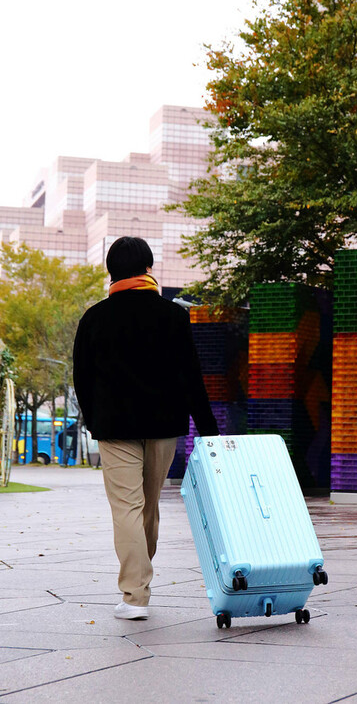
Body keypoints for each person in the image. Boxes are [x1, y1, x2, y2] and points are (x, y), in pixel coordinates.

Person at [73, 236, 218, 620]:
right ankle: (139, 583)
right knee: (147, 508)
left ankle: (135, 595)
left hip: (115, 427)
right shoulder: (172, 316)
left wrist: (94, 421)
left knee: (127, 509)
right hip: (163, 426)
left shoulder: (94, 318)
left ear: (111, 272)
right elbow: (191, 378)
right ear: (148, 268)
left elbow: (81, 378)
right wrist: (211, 432)